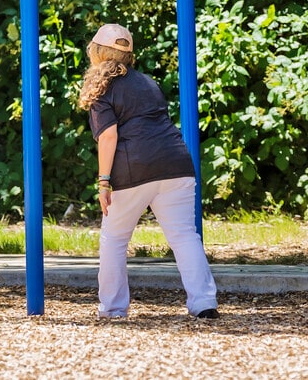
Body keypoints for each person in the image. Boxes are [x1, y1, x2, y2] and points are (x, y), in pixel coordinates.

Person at [77, 23, 219, 320]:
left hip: (134, 169)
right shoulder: (147, 82)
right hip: (176, 163)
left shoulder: (101, 88)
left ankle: (113, 309)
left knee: (114, 238)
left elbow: (108, 136)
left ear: (98, 52)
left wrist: (104, 182)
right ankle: (204, 302)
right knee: (184, 236)